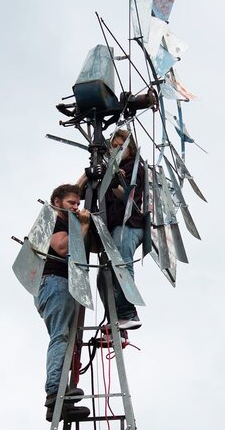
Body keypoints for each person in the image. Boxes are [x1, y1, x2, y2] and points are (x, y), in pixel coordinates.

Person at [35, 184, 91, 422]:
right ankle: (55, 390)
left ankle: (59, 406)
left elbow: (72, 190)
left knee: (66, 339)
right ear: (57, 202)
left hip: (58, 284)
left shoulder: (66, 218)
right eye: (71, 203)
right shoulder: (55, 221)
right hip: (55, 282)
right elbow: (61, 247)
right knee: (60, 336)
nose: (76, 207)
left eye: (78, 203)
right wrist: (84, 226)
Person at [99, 129, 146, 330]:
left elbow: (128, 198)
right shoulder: (112, 168)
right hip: (114, 227)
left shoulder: (134, 168)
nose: (117, 149)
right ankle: (116, 318)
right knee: (104, 277)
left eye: (121, 146)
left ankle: (128, 312)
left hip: (129, 225)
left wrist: (113, 181)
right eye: (114, 146)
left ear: (130, 149)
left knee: (122, 264)